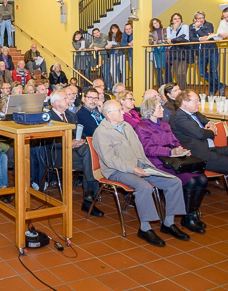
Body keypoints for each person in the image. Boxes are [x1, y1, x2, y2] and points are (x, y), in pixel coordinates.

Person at [93, 101, 189, 247]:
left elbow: (139, 150)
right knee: (144, 187)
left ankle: (168, 223)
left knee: (174, 182)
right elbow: (110, 160)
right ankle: (145, 228)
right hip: (116, 171)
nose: (122, 113)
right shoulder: (101, 133)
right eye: (119, 110)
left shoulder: (127, 127)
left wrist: (145, 166)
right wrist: (133, 169)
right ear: (108, 114)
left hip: (139, 165)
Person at [135, 97, 208, 234]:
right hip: (158, 163)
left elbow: (175, 141)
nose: (163, 109)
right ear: (150, 110)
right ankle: (184, 218)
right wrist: (170, 151)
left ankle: (190, 215)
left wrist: (181, 149)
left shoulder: (164, 125)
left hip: (174, 161)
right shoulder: (142, 127)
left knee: (202, 179)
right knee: (191, 181)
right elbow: (148, 149)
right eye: (159, 107)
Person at [170, 90, 228, 174]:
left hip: (210, 148)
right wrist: (212, 131)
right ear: (184, 102)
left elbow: (204, 118)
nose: (199, 103)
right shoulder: (179, 117)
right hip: (201, 155)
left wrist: (210, 123)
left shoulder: (193, 113)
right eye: (196, 101)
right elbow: (200, 134)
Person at [189, 10, 224, 95]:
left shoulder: (209, 25)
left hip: (212, 51)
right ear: (194, 19)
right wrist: (200, 39)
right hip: (200, 53)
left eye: (203, 18)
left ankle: (212, 91)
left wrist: (197, 29)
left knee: (213, 72)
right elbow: (191, 38)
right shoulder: (191, 27)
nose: (201, 20)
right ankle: (220, 85)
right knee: (201, 73)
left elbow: (207, 36)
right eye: (199, 18)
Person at [166, 13, 191, 90]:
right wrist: (174, 30)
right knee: (177, 74)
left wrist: (174, 40)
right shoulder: (169, 29)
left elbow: (186, 39)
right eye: (175, 19)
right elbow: (169, 41)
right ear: (172, 21)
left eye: (179, 18)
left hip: (184, 52)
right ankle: (181, 90)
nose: (177, 20)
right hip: (174, 53)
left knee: (182, 73)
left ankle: (183, 91)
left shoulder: (185, 26)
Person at [148, 18, 168, 88]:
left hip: (165, 52)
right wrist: (160, 41)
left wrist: (159, 41)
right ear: (152, 25)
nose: (156, 24)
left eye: (157, 22)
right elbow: (150, 42)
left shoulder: (164, 30)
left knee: (166, 69)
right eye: (154, 23)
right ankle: (161, 86)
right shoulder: (151, 32)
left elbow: (166, 40)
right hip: (156, 53)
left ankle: (167, 86)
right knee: (158, 71)